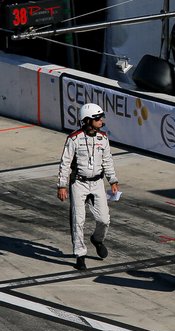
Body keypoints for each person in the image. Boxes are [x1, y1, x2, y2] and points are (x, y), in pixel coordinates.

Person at [56, 103, 120, 271]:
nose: (101, 121)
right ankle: (80, 255)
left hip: (98, 183)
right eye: (97, 119)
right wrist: (62, 185)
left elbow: (107, 161)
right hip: (78, 182)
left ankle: (97, 240)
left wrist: (113, 181)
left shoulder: (103, 138)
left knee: (104, 220)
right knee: (79, 220)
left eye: (100, 118)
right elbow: (65, 163)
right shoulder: (74, 139)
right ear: (87, 121)